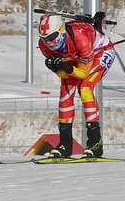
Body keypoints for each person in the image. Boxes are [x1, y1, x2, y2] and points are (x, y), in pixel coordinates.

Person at [37, 12, 116, 158]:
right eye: (44, 39)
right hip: (75, 58)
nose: (49, 43)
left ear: (61, 31)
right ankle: (65, 145)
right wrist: (58, 69)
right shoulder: (44, 46)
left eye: (52, 37)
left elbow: (83, 74)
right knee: (66, 91)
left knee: (85, 88)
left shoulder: (81, 38)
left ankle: (95, 143)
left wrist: (67, 68)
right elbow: (65, 76)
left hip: (100, 52)